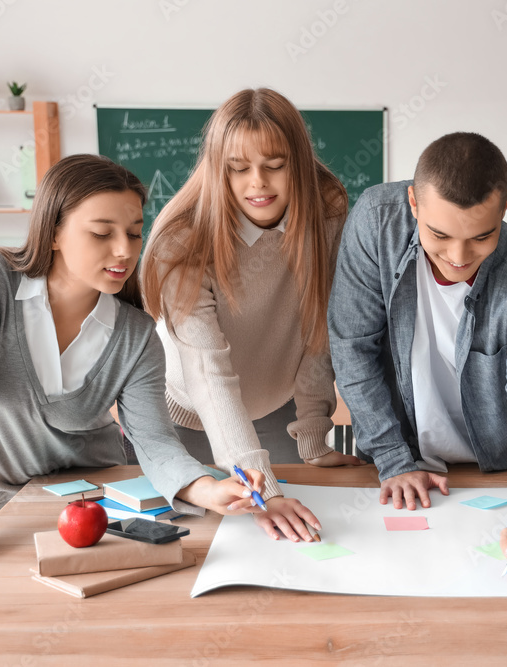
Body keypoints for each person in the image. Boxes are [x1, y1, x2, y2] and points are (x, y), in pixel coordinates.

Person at [0, 154, 288, 565]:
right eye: (101, 233)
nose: (124, 251)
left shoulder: (137, 334)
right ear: (53, 232)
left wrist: (208, 490)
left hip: (99, 505)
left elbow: (155, 442)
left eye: (134, 233)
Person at [328, 132, 507, 577]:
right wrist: (393, 460)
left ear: (506, 205)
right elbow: (352, 346)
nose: (458, 257)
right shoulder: (376, 222)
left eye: (481, 236)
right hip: (398, 464)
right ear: (414, 202)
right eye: (439, 235)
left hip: (493, 468)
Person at [142, 88, 361, 538]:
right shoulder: (180, 241)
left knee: (285, 535)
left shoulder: (327, 211)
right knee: (196, 545)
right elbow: (207, 374)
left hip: (276, 410)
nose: (257, 182)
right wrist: (259, 481)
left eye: (275, 166)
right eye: (237, 169)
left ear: (298, 162)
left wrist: (316, 434)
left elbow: (319, 329)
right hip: (184, 416)